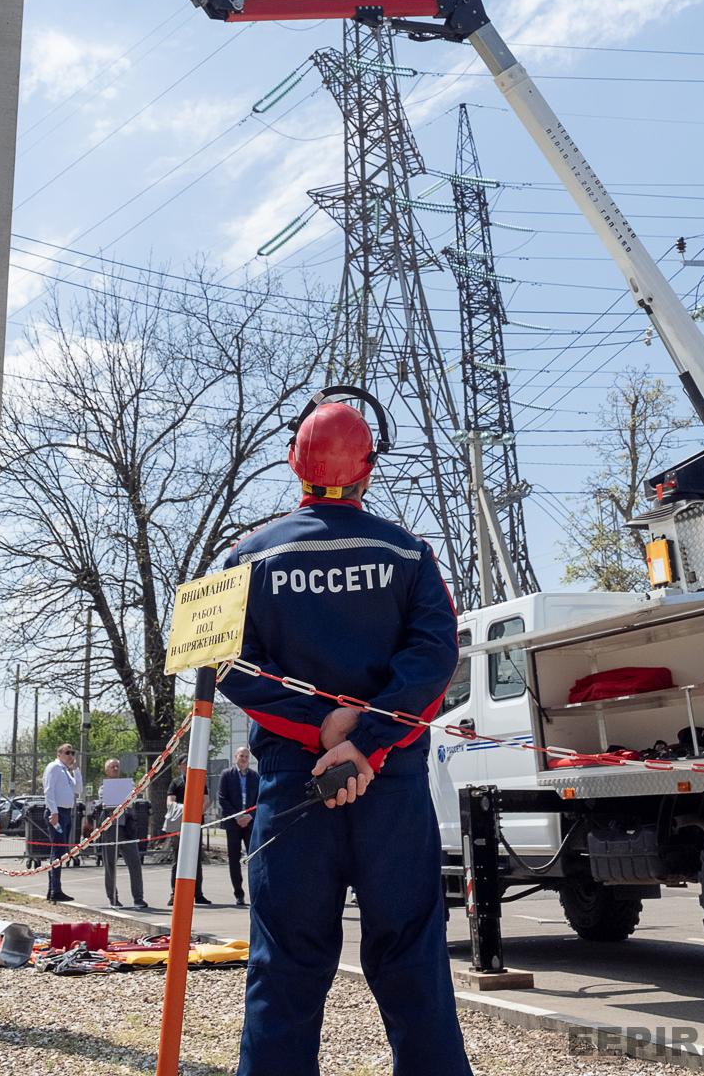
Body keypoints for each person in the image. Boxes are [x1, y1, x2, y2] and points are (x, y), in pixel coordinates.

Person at [218, 390, 473, 1076]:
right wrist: (364, 740)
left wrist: (318, 726)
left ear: (295, 467)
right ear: (367, 470)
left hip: (290, 788)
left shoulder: (244, 557)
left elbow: (217, 661)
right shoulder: (409, 553)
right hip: (389, 786)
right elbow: (433, 659)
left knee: (286, 964)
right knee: (411, 957)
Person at [98, 758, 147, 911]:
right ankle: (112, 897)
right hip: (110, 829)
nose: (115, 768)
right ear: (106, 770)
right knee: (110, 864)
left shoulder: (128, 785)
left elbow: (133, 799)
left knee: (134, 863)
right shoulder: (103, 788)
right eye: (112, 766)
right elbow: (105, 802)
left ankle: (138, 898)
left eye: (117, 766)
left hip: (127, 828)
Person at [218, 746, 258, 907]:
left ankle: (256, 892)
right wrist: (237, 817)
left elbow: (260, 800)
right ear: (236, 757)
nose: (244, 759)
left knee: (254, 858)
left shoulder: (255, 777)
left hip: (250, 823)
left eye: (246, 756)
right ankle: (239, 894)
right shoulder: (227, 775)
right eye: (241, 756)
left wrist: (250, 816)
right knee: (234, 860)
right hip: (233, 824)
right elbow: (222, 798)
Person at [42, 742, 83, 902]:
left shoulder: (66, 771)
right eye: (67, 752)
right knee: (58, 851)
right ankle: (55, 890)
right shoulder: (54, 767)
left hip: (66, 813)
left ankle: (53, 889)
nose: (71, 756)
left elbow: (78, 789)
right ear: (59, 754)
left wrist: (76, 770)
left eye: (72, 753)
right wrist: (54, 812)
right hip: (57, 812)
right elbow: (49, 791)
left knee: (61, 851)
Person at [166, 763, 211, 905]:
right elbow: (170, 802)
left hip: (196, 824)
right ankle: (175, 893)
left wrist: (196, 813)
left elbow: (207, 801)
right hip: (178, 825)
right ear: (180, 766)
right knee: (177, 859)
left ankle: (198, 894)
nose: (188, 767)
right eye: (185, 764)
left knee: (196, 859)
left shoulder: (199, 781)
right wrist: (183, 812)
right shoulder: (176, 782)